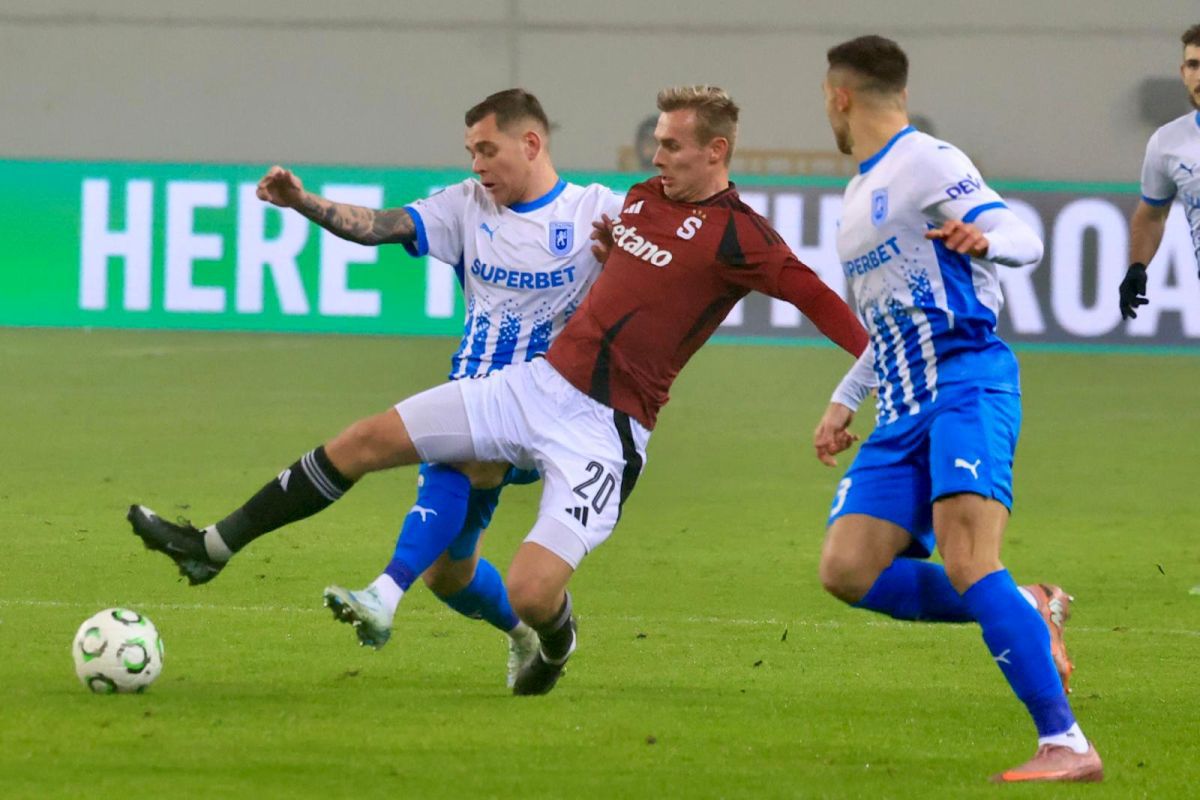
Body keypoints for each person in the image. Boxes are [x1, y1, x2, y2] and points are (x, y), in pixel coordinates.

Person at [128, 84, 868, 696]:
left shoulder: (744, 236)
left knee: (531, 593)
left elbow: (825, 306)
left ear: (717, 151)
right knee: (364, 440)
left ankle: (553, 636)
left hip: (604, 432)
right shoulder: (639, 201)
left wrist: (862, 380)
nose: (656, 156)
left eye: (671, 145)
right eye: (656, 143)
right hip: (533, 387)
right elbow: (631, 269)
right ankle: (213, 546)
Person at [148, 88, 626, 688]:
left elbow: (665, 267)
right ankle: (532, 635)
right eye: (469, 151)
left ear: (530, 144)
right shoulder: (466, 206)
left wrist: (625, 261)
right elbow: (379, 226)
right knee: (447, 570)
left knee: (449, 455)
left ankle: (374, 591)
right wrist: (303, 203)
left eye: (487, 149)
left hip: (544, 410)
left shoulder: (597, 212)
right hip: (468, 393)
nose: (475, 164)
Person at [810, 36, 1103, 783]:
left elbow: (1020, 235)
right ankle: (1029, 605)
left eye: (825, 99)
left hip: (966, 384)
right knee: (848, 571)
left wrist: (988, 240)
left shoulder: (928, 161)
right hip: (901, 409)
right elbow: (894, 321)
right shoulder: (855, 199)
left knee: (970, 560)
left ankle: (1066, 743)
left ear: (839, 96)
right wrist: (847, 399)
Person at [1120, 22, 1200, 320]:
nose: (1199, 76)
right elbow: (1152, 214)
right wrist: (1137, 268)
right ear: (1183, 73)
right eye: (1193, 65)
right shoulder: (1168, 143)